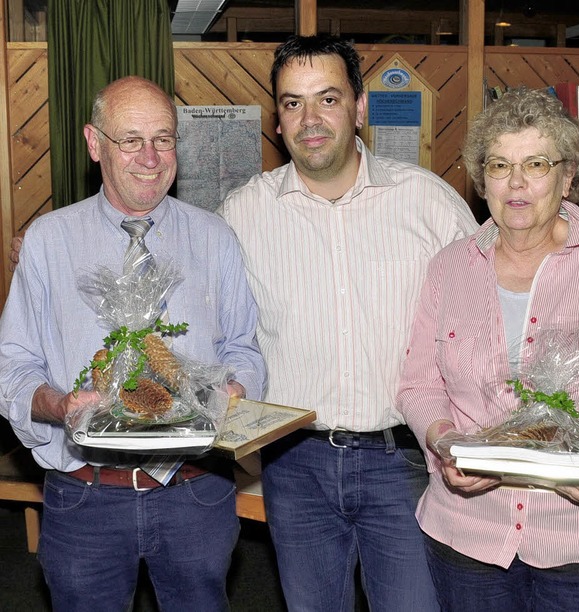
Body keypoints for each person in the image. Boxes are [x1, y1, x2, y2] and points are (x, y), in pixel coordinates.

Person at [218, 35, 478, 611]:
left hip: (406, 459)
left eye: (328, 98)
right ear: (277, 119)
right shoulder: (242, 215)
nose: (310, 119)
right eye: (292, 103)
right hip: (295, 465)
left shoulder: (429, 205)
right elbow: (188, 293)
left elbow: (486, 319)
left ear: (359, 108)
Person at [0, 76, 266, 612]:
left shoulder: (215, 238)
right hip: (85, 494)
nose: (150, 156)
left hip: (196, 490)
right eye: (131, 139)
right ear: (95, 143)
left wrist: (235, 388)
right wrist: (58, 404)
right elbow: (14, 368)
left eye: (163, 138)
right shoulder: (50, 241)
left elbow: (244, 346)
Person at [396, 86, 579, 611]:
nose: (518, 183)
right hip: (469, 538)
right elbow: (419, 385)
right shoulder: (449, 268)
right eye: (500, 165)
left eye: (536, 163)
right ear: (481, 178)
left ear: (567, 175)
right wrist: (445, 444)